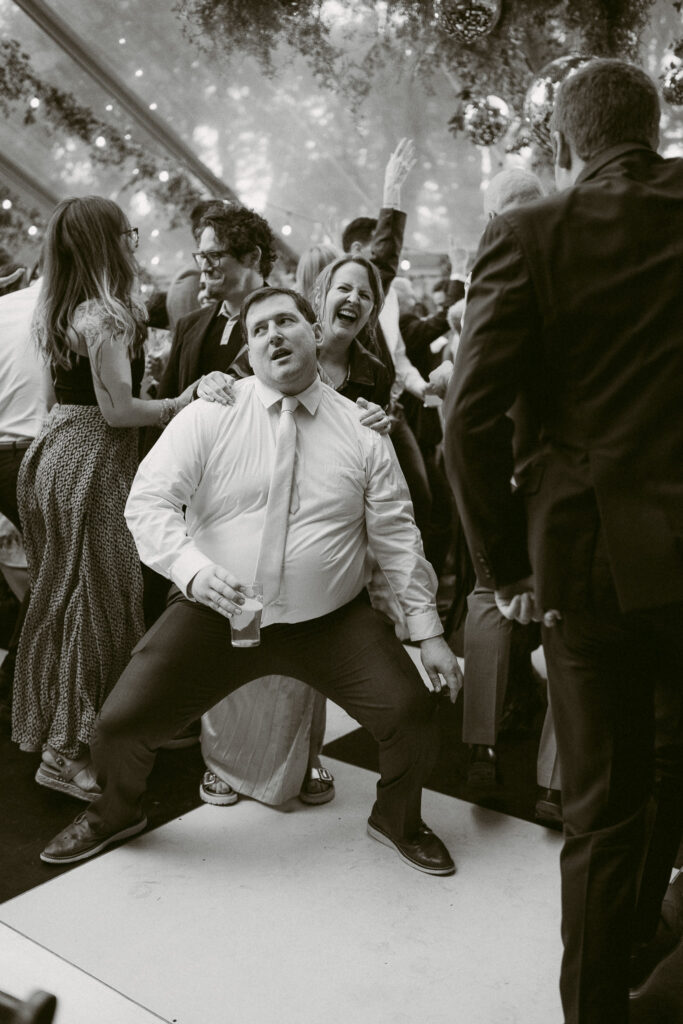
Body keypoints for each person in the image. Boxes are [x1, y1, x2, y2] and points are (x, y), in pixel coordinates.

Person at [40, 285, 462, 876]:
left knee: (413, 716)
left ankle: (397, 817)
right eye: (258, 329)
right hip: (218, 613)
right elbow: (149, 502)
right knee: (119, 725)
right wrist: (193, 572)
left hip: (331, 623)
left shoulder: (365, 430)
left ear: (314, 333)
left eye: (285, 321)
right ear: (248, 350)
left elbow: (397, 537)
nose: (273, 335)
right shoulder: (212, 411)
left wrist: (430, 633)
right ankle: (116, 811)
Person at [443, 60, 683, 1023]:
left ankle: (597, 1002)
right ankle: (641, 937)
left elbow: (466, 421)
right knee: (668, 766)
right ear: (655, 128)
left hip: (588, 570)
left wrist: (504, 569)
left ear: (565, 144)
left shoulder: (529, 230)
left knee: (600, 809)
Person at [12, 196, 198, 801]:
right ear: (108, 243)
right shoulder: (108, 315)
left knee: (64, 601)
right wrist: (181, 401)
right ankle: (67, 755)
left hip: (54, 453)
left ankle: (112, 726)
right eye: (129, 234)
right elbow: (118, 412)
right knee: (97, 604)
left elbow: (67, 399)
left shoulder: (57, 307)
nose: (134, 244)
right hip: (93, 462)